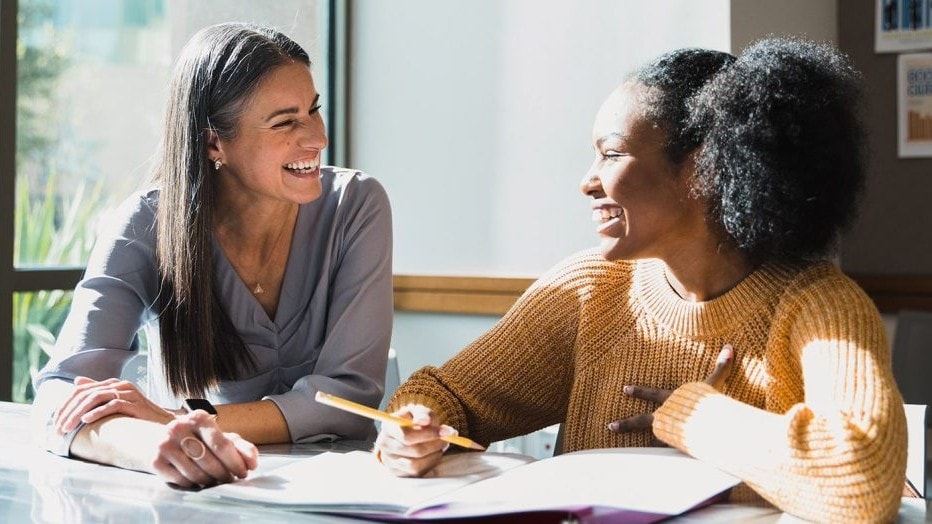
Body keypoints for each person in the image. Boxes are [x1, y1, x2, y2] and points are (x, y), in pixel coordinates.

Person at [374, 37, 907, 523]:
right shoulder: (590, 290)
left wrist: (694, 414)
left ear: (704, 169)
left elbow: (862, 482)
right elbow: (444, 395)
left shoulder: (820, 305)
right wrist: (413, 429)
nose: (587, 181)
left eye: (611, 153)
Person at [31, 23, 393, 489]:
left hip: (341, 490)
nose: (317, 137)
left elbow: (347, 400)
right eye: (285, 121)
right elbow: (60, 396)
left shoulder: (356, 204)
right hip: (201, 490)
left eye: (313, 109)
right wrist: (156, 446)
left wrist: (179, 419)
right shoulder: (146, 224)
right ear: (213, 142)